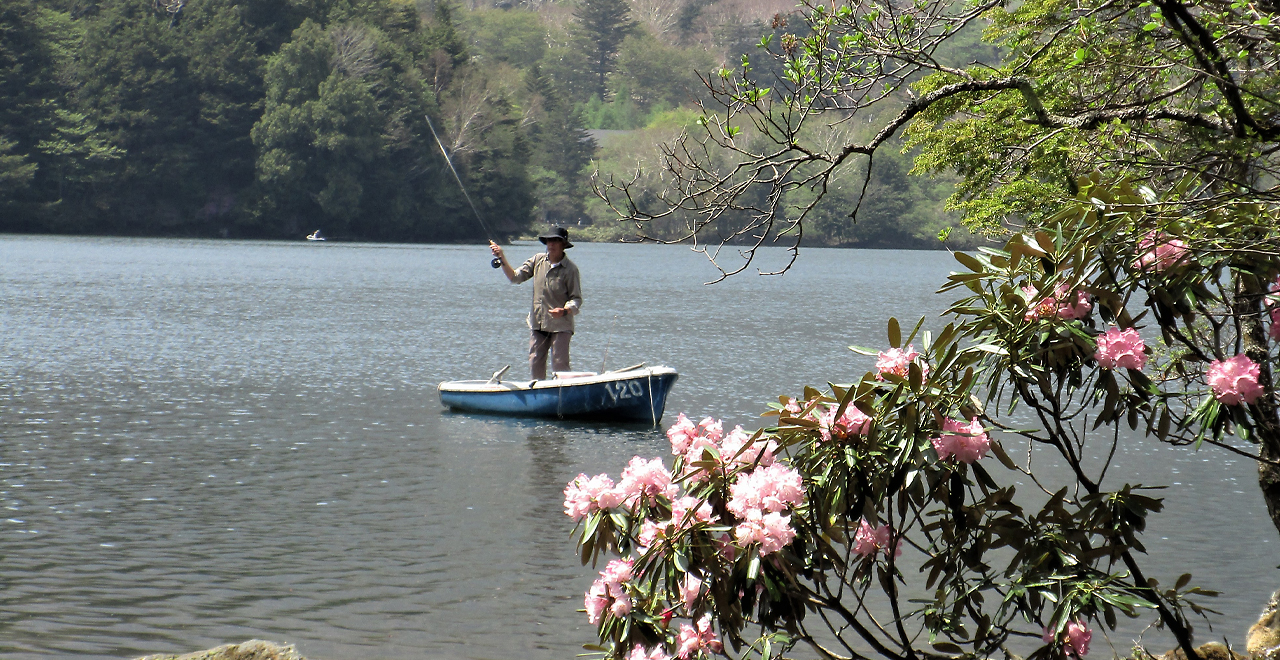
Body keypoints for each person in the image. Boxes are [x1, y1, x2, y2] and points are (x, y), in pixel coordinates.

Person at [490, 226, 583, 380]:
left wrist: (565, 310)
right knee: (535, 359)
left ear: (563, 244)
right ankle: (539, 392)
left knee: (560, 363)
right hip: (538, 323)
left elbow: (576, 299)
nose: (551, 244)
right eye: (549, 241)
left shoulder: (571, 269)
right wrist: (502, 257)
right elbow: (515, 277)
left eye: (555, 241)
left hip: (561, 325)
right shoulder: (537, 260)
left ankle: (563, 393)